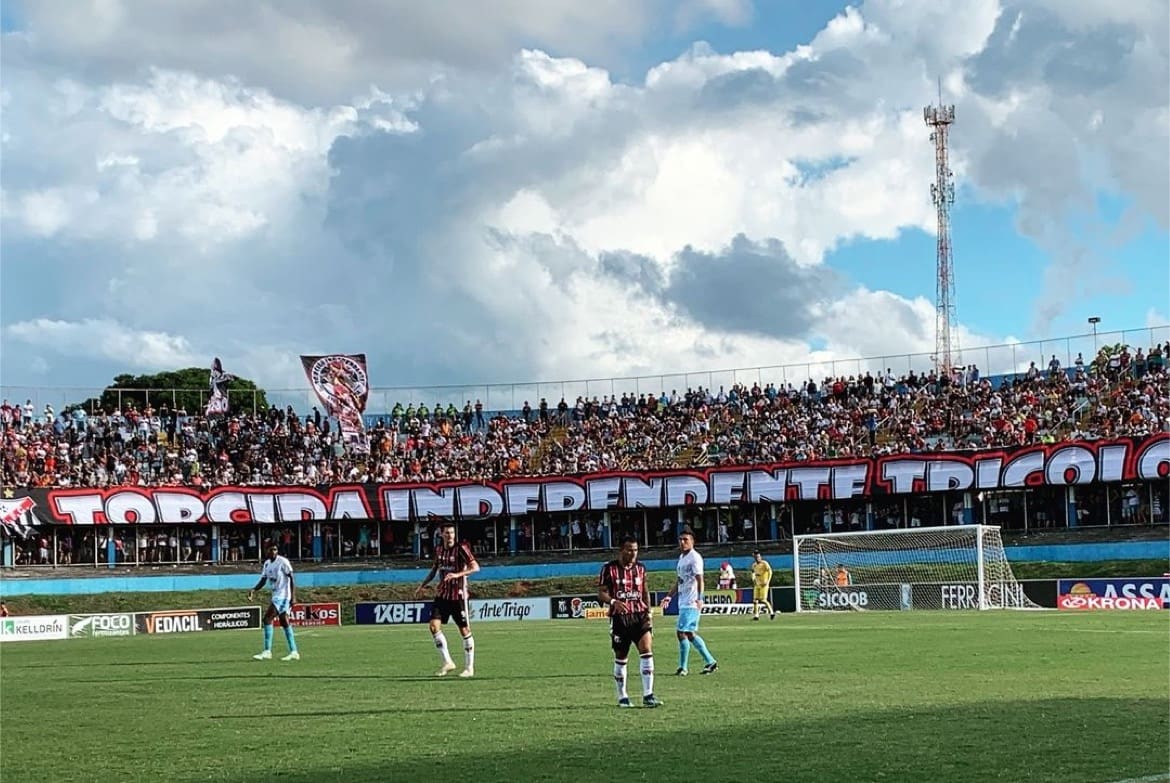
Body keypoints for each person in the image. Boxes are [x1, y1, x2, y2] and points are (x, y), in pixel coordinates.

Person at [597, 535, 662, 708]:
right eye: (629, 550)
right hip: (620, 618)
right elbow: (601, 593)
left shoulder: (641, 568)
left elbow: (645, 591)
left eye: (636, 550)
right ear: (621, 550)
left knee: (647, 649)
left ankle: (648, 695)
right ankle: (622, 696)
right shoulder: (608, 569)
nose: (633, 553)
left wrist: (649, 611)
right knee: (621, 656)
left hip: (639, 615)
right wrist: (613, 602)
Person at [415, 522, 479, 677]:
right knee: (433, 626)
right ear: (441, 534)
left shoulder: (461, 549)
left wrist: (457, 574)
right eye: (447, 533)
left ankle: (469, 668)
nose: (450, 535)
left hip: (458, 596)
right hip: (442, 595)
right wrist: (422, 585)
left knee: (464, 630)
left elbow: (476, 567)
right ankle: (448, 662)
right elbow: (434, 569)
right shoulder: (439, 550)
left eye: (452, 532)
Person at [660, 528, 718, 676]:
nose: (682, 542)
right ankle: (710, 662)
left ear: (692, 541)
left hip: (691, 602)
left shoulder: (695, 558)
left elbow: (700, 579)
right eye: (681, 539)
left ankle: (683, 667)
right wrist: (669, 596)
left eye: (686, 539)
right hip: (683, 601)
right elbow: (680, 581)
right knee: (690, 634)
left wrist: (700, 598)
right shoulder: (682, 558)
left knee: (681, 633)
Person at [248, 544, 299, 661]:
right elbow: (263, 579)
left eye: (275, 549)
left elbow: (291, 578)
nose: (274, 551)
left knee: (267, 619)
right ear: (266, 551)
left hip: (283, 596)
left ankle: (267, 651)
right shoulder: (266, 564)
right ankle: (294, 651)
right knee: (284, 622)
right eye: (271, 549)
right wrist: (253, 589)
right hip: (276, 595)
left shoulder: (283, 561)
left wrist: (293, 597)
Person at [750, 551, 776, 621]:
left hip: (764, 584)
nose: (757, 558)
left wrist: (768, 581)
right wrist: (753, 578)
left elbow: (770, 571)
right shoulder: (754, 565)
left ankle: (771, 613)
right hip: (757, 584)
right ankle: (756, 615)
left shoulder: (764, 563)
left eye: (758, 557)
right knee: (755, 600)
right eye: (756, 557)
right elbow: (753, 573)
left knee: (763, 600)